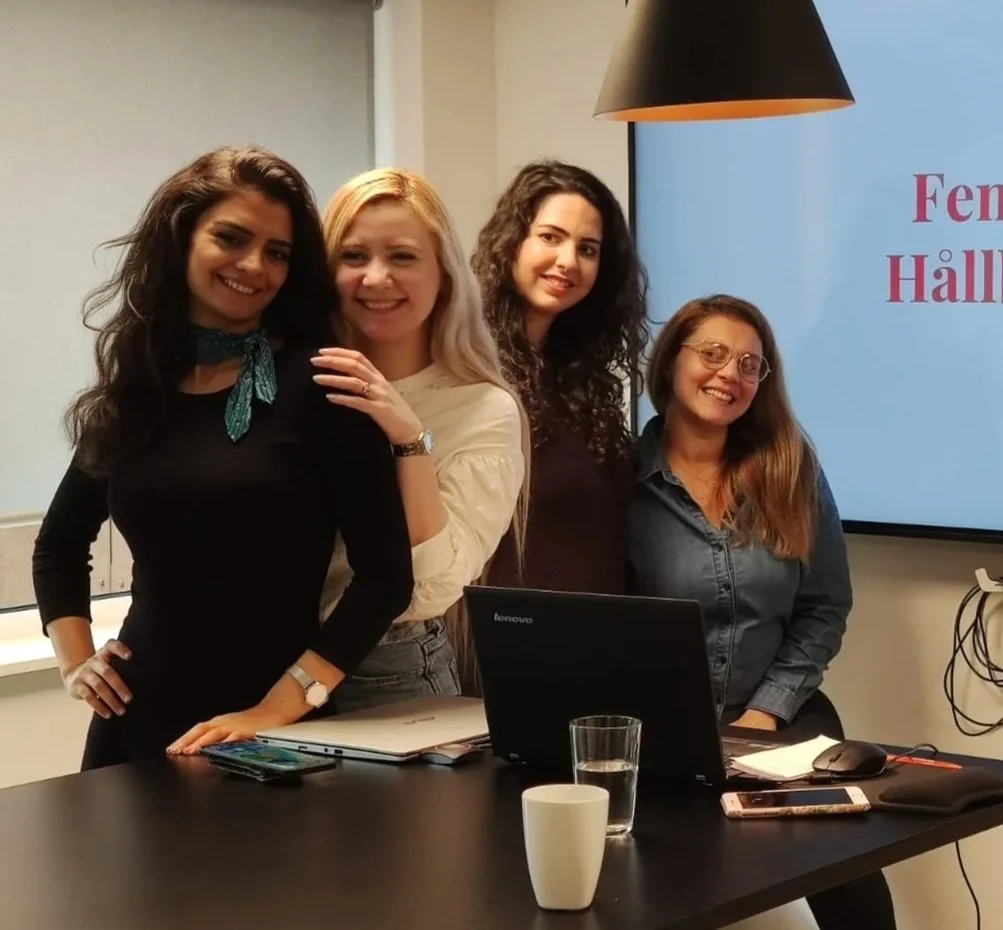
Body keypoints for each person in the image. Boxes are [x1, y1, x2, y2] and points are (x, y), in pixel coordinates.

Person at [30, 146, 415, 770]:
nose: (253, 266)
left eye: (277, 252)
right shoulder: (140, 387)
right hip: (134, 727)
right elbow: (57, 547)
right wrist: (77, 664)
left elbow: (386, 578)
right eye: (231, 238)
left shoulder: (324, 383)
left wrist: (280, 707)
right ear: (182, 239)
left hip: (272, 738)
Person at [627, 295, 897, 930]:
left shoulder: (790, 467)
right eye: (713, 354)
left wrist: (765, 710)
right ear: (671, 362)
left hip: (783, 718)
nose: (730, 374)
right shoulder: (620, 482)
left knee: (854, 886)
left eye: (750, 364)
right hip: (666, 739)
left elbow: (825, 605)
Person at [313, 167, 526, 712]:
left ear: (444, 275)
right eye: (354, 256)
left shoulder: (481, 408)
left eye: (403, 257)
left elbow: (433, 587)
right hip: (262, 659)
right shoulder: (293, 383)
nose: (376, 278)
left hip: (387, 669)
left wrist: (409, 439)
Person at [472, 159, 648, 596]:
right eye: (551, 237)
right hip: (494, 643)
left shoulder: (579, 377)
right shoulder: (469, 366)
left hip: (589, 641)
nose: (568, 261)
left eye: (588, 248)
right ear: (511, 243)